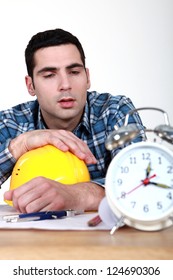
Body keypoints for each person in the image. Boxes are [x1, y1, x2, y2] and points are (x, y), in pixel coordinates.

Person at [0, 28, 145, 213]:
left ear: (87, 77)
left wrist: (76, 195)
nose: (65, 85)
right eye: (49, 75)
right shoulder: (11, 122)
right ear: (31, 85)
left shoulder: (115, 111)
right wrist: (19, 145)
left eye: (74, 72)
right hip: (31, 240)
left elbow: (141, 182)